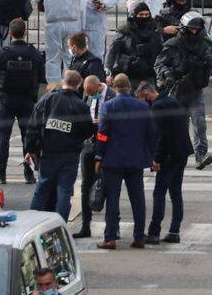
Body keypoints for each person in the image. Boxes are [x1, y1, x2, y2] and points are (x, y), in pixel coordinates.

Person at [94, 74, 155, 250]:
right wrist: (152, 157)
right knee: (138, 199)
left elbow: (103, 134)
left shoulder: (108, 106)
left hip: (113, 160)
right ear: (129, 87)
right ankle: (139, 237)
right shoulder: (143, 106)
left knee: (112, 199)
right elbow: (151, 133)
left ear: (114, 86)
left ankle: (110, 238)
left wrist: (99, 156)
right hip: (135, 159)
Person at [26, 70, 93, 221]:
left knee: (42, 190)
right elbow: (87, 131)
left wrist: (31, 149)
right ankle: (60, 224)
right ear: (79, 85)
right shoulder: (81, 106)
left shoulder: (47, 99)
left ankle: (30, 222)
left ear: (63, 81)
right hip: (70, 155)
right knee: (64, 191)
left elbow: (33, 126)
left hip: (49, 152)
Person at [0, 19, 46, 185]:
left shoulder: (2, 53)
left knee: (3, 137)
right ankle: (28, 173)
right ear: (25, 32)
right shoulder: (34, 53)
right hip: (27, 100)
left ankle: (1, 173)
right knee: (28, 137)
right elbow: (42, 78)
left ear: (10, 33)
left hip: (6, 100)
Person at [155, 12, 212, 170]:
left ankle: (200, 154)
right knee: (177, 126)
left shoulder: (204, 45)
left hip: (195, 90)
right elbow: (159, 64)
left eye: (197, 29)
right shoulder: (173, 44)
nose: (194, 32)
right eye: (191, 29)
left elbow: (209, 63)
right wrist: (167, 75)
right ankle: (175, 153)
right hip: (177, 91)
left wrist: (205, 64)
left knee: (199, 123)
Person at [140, 82, 192, 245]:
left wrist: (156, 158)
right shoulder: (173, 101)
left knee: (159, 193)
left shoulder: (157, 107)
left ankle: (154, 232)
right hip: (181, 152)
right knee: (176, 193)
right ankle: (174, 231)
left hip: (168, 155)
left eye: (144, 98)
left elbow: (161, 135)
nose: (145, 102)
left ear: (148, 93)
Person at [74, 75, 114, 239]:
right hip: (89, 145)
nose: (91, 96)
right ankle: (86, 226)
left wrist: (103, 122)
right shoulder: (88, 96)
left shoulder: (112, 95)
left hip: (106, 145)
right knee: (86, 187)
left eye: (93, 93)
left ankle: (112, 227)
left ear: (99, 86)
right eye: (88, 94)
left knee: (108, 186)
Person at [32, 0, 83, 81]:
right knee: (70, 56)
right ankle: (70, 85)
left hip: (53, 23)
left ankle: (54, 87)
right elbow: (81, 5)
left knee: (52, 57)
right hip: (72, 23)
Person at [107, 3, 163, 84]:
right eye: (141, 15)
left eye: (146, 14)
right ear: (134, 15)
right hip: (129, 74)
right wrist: (108, 71)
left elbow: (161, 51)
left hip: (150, 74)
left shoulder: (155, 29)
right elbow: (112, 51)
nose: (144, 17)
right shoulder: (124, 31)